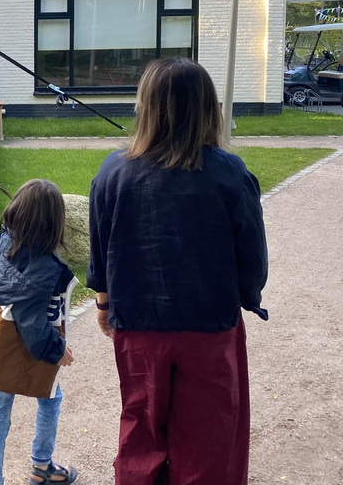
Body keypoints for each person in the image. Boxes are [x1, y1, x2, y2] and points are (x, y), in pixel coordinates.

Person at [88, 57, 268, 485]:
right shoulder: (229, 173)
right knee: (209, 437)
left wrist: (103, 303)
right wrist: (247, 296)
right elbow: (253, 257)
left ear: (145, 106)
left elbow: (100, 248)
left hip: (137, 324)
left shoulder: (113, 172)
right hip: (209, 326)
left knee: (141, 427)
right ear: (208, 107)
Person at [0, 179, 79, 485]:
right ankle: (42, 467)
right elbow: (32, 321)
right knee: (51, 399)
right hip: (33, 346)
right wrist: (57, 350)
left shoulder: (3, 241)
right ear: (53, 224)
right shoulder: (45, 267)